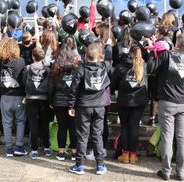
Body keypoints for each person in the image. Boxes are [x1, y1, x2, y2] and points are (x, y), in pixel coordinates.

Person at [148, 33, 184, 181]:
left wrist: (152, 51)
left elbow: (150, 68)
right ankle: (181, 171)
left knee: (167, 137)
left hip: (167, 102)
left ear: (176, 44)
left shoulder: (166, 56)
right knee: (182, 138)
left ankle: (166, 171)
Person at [68, 42, 111, 175]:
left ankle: (79, 166)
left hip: (83, 107)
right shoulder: (105, 66)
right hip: (99, 106)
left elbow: (73, 89)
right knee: (97, 136)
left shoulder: (80, 69)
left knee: (82, 136)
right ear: (99, 56)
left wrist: (71, 105)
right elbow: (109, 58)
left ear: (85, 56)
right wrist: (108, 45)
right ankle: (100, 165)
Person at [110, 44, 149, 164]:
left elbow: (113, 84)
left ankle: (125, 154)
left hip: (124, 101)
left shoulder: (121, 67)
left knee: (125, 126)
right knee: (134, 127)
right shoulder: (145, 66)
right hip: (139, 101)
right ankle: (133, 155)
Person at [0, 38, 27, 157]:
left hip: (5, 96)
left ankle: (8, 149)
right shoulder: (21, 61)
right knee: (20, 121)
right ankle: (18, 146)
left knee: (6, 123)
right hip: (18, 95)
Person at [50, 49, 80, 161]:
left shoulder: (56, 70)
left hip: (58, 102)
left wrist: (51, 101)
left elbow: (51, 88)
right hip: (72, 103)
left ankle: (61, 153)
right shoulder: (76, 70)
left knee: (61, 127)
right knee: (73, 127)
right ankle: (74, 153)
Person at [23, 47, 52, 159]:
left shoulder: (27, 68)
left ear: (32, 57)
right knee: (44, 124)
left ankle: (34, 149)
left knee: (33, 124)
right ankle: (46, 148)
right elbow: (50, 86)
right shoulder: (48, 70)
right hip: (44, 99)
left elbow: (23, 82)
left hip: (30, 98)